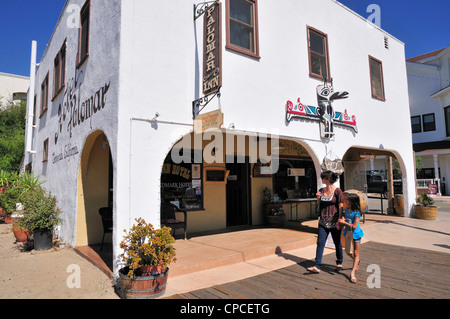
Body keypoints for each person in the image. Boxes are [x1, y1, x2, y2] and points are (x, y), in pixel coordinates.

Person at [307, 170, 344, 273]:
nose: (321, 179)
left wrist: (340, 219)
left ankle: (339, 262)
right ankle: (317, 265)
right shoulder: (321, 190)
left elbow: (341, 206)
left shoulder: (338, 191)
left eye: (323, 177)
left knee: (337, 242)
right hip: (323, 221)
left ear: (328, 179)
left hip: (335, 221)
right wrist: (318, 199)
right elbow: (319, 205)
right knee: (320, 243)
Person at [338, 193, 365, 283]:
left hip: (356, 234)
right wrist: (340, 224)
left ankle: (352, 273)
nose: (346, 201)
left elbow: (354, 226)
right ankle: (357, 261)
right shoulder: (346, 210)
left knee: (356, 252)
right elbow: (346, 221)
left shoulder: (357, 213)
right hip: (348, 233)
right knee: (348, 252)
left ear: (352, 202)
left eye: (348, 200)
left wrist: (344, 223)